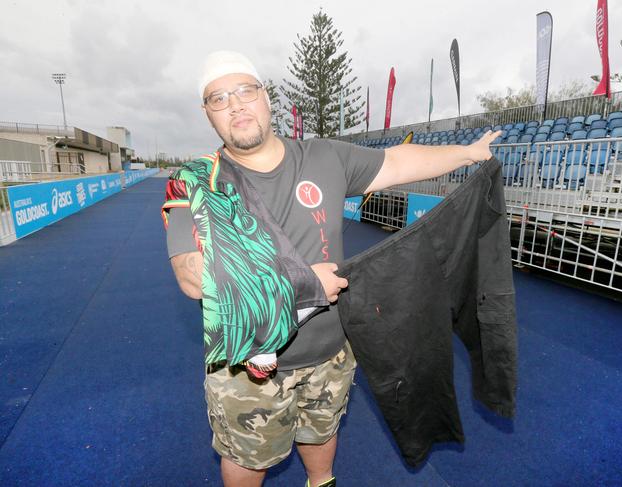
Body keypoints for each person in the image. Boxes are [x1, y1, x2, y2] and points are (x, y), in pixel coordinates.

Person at [163, 50, 499, 487]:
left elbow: (397, 162)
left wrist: (467, 154)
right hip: (248, 364)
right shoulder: (192, 180)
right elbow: (191, 277)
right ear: (208, 114)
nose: (236, 105)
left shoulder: (325, 157)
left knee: (322, 432)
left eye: (245, 91)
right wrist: (301, 282)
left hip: (330, 351)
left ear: (267, 99)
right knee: (248, 459)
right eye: (219, 98)